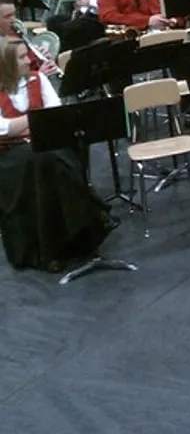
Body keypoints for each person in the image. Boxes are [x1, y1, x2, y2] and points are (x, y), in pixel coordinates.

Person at [0, 40, 113, 272]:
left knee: (54, 157)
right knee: (44, 161)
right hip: (10, 152)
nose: (28, 61)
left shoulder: (38, 79)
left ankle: (62, 245)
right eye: (21, 58)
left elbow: (55, 111)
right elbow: (4, 129)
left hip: (43, 143)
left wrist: (25, 124)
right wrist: (34, 121)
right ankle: (91, 216)